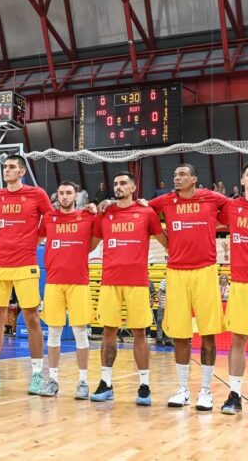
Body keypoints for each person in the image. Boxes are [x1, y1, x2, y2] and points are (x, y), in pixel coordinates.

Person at [146, 164, 228, 410]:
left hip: (205, 270)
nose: (177, 178)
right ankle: (182, 389)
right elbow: (144, 210)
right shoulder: (166, 200)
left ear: (194, 179)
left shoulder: (210, 197)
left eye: (182, 174)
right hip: (176, 272)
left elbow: (233, 209)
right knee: (180, 334)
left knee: (208, 333)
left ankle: (206, 391)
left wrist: (217, 223)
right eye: (175, 175)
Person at [0, 154, 53, 394]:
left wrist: (37, 237)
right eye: (5, 167)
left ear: (21, 172)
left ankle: (37, 374)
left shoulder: (37, 193)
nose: (6, 170)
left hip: (25, 263)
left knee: (31, 318)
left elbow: (50, 218)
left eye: (11, 167)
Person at [91, 172, 167, 406]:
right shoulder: (105, 213)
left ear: (134, 187)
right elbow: (90, 244)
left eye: (123, 183)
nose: (118, 186)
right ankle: (106, 383)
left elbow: (166, 241)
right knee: (108, 332)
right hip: (109, 281)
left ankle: (144, 386)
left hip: (137, 282)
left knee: (139, 334)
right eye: (116, 183)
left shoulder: (146, 213)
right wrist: (89, 211)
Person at [37, 181, 95, 399]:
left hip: (79, 281)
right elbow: (37, 238)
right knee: (54, 332)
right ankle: (52, 380)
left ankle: (83, 382)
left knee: (80, 333)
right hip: (53, 281)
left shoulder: (87, 217)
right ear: (57, 196)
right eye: (61, 193)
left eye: (69, 193)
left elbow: (96, 239)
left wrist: (99, 206)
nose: (64, 196)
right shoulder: (49, 218)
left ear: (76, 195)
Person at [219, 162, 248, 415]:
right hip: (241, 282)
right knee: (238, 339)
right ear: (242, 182)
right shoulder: (232, 207)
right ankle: (234, 395)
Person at [156, 278, 173, 347]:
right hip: (163, 306)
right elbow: (159, 294)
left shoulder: (174, 282)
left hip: (170, 307)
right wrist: (161, 304)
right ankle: (159, 339)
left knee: (169, 324)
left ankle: (168, 340)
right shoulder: (164, 281)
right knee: (160, 323)